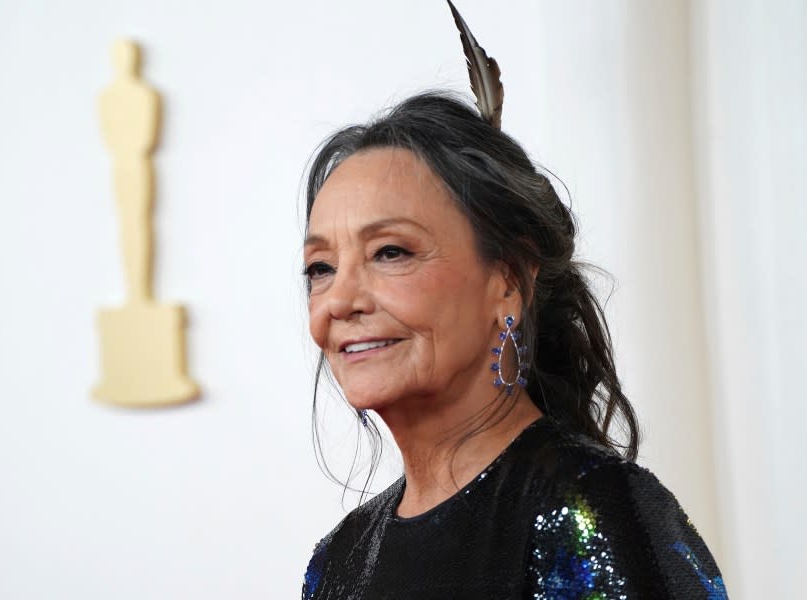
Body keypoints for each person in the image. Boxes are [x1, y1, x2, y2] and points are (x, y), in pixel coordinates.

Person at [300, 5, 727, 599]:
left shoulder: (594, 511)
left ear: (507, 283)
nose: (339, 299)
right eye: (320, 268)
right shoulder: (339, 560)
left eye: (390, 252)